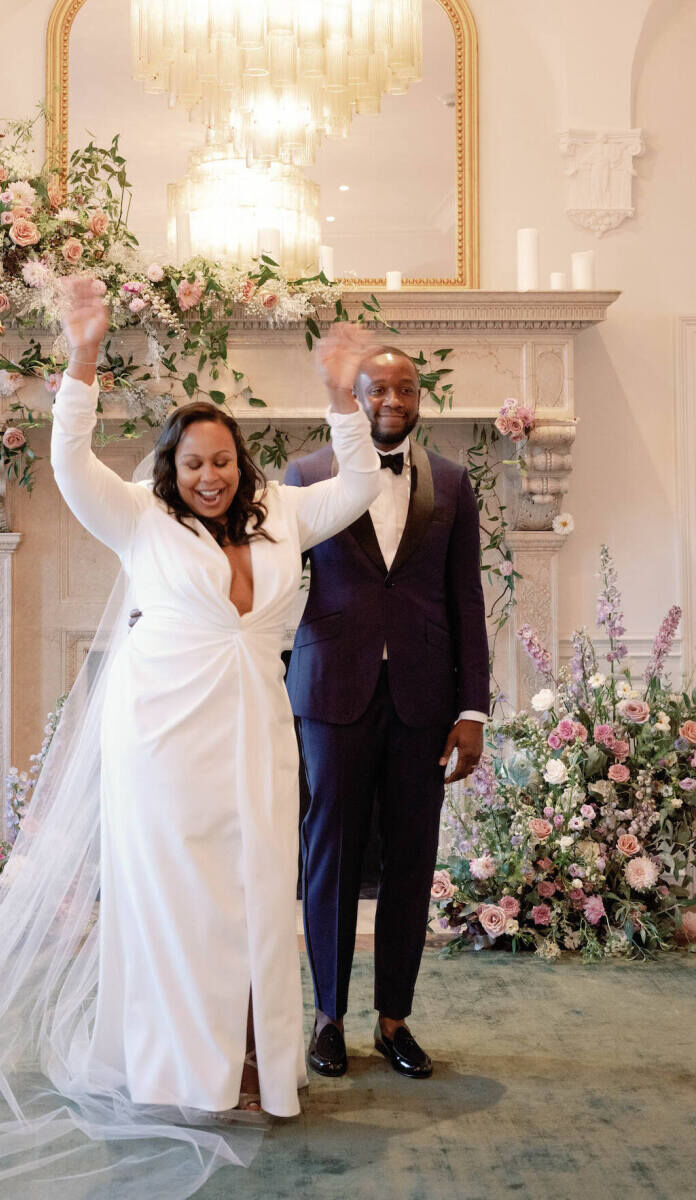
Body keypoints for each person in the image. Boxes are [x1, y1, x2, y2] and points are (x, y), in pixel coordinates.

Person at [0, 283, 383, 1199]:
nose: (213, 476)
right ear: (174, 466)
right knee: (182, 903)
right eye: (197, 462)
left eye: (226, 462)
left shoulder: (285, 515)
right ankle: (185, 1071)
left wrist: (340, 392)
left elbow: (360, 484)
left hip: (258, 734)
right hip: (164, 743)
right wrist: (82, 355)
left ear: (244, 465)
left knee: (254, 897)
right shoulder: (137, 514)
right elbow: (69, 462)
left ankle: (256, 1062)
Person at [285, 345, 489, 1081]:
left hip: (424, 700)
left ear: (420, 397)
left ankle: (394, 1018)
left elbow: (465, 598)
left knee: (411, 859)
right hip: (331, 693)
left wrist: (472, 708)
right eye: (378, 388)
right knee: (329, 855)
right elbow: (281, 587)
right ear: (354, 393)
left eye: (406, 388)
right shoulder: (306, 476)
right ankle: (329, 1016)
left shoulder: (454, 484)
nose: (392, 401)